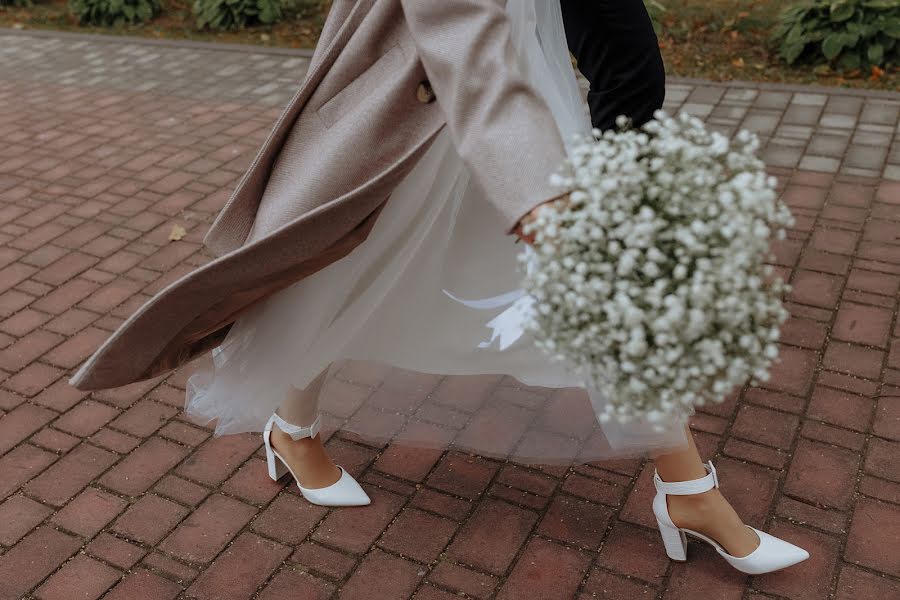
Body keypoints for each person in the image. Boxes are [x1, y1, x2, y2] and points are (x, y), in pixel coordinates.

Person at [73, 0, 808, 574]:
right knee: (345, 267)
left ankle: (688, 492)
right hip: (432, 90)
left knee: (587, 289)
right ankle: (292, 430)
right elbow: (460, 32)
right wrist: (539, 198)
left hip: (515, 85)